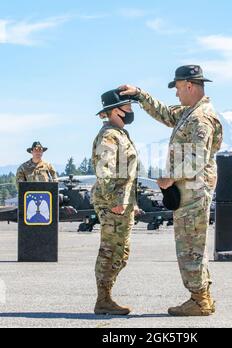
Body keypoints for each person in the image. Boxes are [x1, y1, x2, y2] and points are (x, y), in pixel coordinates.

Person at [119, 65, 223, 316]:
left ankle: (199, 300)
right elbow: (165, 113)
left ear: (189, 85)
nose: (176, 94)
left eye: (177, 89)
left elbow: (197, 158)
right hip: (189, 191)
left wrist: (169, 178)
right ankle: (202, 297)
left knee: (190, 246)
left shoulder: (200, 118)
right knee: (192, 245)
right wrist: (140, 95)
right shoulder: (190, 112)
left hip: (193, 192)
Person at [92, 89, 139, 315]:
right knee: (110, 250)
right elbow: (104, 171)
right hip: (113, 204)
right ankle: (103, 299)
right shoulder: (109, 135)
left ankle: (106, 297)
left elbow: (127, 173)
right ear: (115, 111)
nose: (131, 111)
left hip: (123, 203)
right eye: (127, 107)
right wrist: (113, 201)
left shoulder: (120, 133)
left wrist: (132, 201)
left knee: (121, 252)